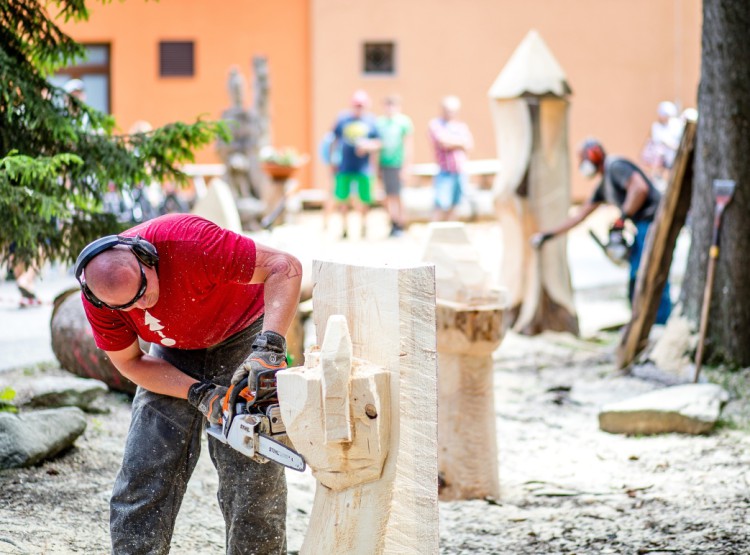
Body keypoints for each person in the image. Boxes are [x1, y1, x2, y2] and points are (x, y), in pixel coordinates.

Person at [74, 213, 302, 554]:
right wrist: (195, 392)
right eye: (128, 306)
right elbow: (131, 362)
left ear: (146, 257)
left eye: (142, 292)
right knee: (145, 466)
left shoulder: (189, 242)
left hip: (243, 335)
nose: (141, 306)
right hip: (171, 351)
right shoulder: (101, 301)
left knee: (251, 476)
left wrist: (269, 347)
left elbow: (284, 266)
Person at [531, 138, 672, 324]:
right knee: (636, 276)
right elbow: (579, 216)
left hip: (652, 222)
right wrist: (548, 235)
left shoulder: (616, 167)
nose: (581, 164)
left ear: (593, 155)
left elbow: (639, 188)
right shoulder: (604, 185)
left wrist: (622, 217)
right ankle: (641, 323)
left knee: (649, 272)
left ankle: (659, 322)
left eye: (582, 158)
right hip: (640, 226)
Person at [329, 90, 381, 239]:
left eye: (362, 105)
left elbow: (378, 143)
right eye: (357, 105)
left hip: (363, 167)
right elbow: (334, 140)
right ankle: (344, 228)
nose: (359, 108)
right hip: (344, 166)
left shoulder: (371, 121)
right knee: (342, 198)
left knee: (364, 199)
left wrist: (367, 146)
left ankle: (364, 226)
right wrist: (332, 160)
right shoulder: (343, 119)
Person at [428, 95, 473, 221]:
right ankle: (435, 233)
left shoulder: (461, 126)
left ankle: (450, 234)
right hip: (445, 171)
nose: (450, 113)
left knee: (456, 204)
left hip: (460, 170)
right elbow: (443, 142)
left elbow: (469, 144)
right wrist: (460, 143)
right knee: (441, 204)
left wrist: (454, 142)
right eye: (448, 110)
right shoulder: (436, 124)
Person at [376, 94, 414, 237]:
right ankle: (392, 222)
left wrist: (406, 166)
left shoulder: (403, 122)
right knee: (387, 196)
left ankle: (401, 223)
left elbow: (408, 145)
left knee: (398, 195)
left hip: (398, 164)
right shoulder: (380, 123)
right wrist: (376, 167)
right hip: (384, 164)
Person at [640, 101, 683, 186]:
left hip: (672, 157)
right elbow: (659, 141)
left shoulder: (675, 126)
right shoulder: (657, 127)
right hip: (662, 158)